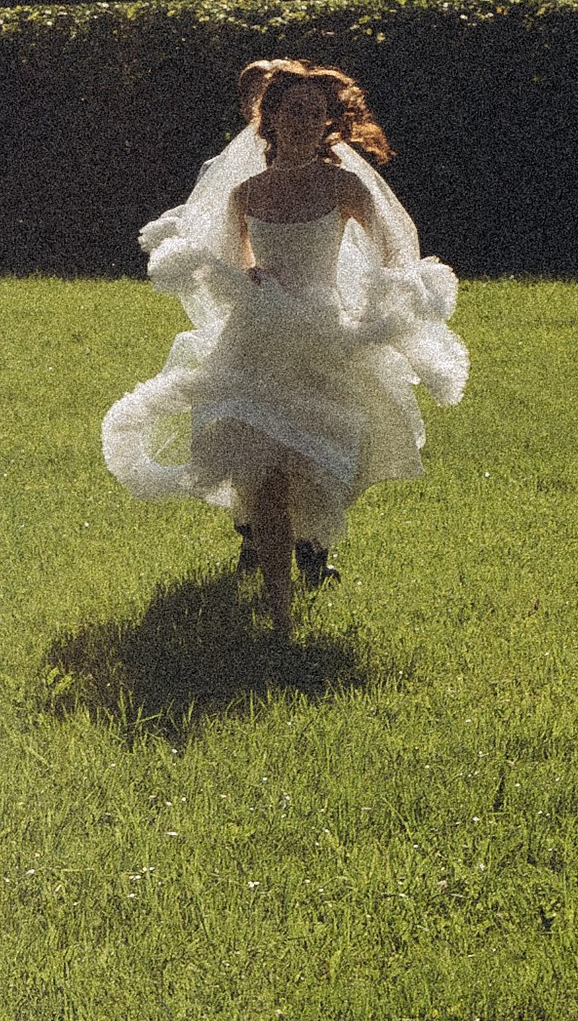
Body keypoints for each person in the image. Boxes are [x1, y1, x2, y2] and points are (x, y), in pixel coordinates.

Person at [101, 56, 469, 636]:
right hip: (257, 337)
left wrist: (377, 309)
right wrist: (246, 278)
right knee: (263, 473)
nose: (302, 122)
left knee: (313, 464)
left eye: (314, 113)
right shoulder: (245, 194)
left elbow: (391, 253)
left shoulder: (346, 184)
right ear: (269, 121)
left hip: (323, 337)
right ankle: (279, 615)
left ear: (329, 122)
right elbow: (229, 263)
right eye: (291, 112)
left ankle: (309, 553)